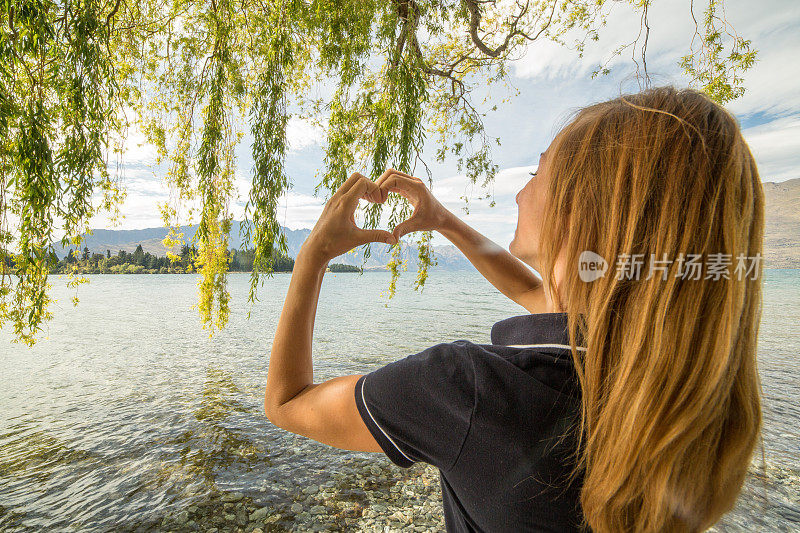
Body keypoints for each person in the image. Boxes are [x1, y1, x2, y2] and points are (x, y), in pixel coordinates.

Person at [263, 85, 765, 533]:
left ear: (580, 211)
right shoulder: (665, 386)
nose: (521, 191)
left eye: (537, 171)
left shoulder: (465, 390)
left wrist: (312, 257)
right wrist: (443, 221)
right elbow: (536, 294)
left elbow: (286, 404)